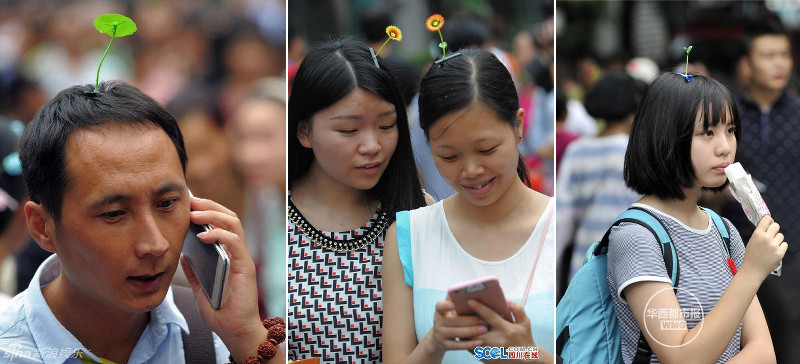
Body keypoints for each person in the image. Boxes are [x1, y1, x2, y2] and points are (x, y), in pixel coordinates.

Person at [0, 81, 283, 364]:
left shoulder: (214, 337)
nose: (156, 245)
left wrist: (246, 336)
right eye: (114, 214)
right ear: (42, 226)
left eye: (167, 203)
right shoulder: (10, 350)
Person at [382, 49, 555, 364]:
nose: (471, 170)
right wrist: (435, 343)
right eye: (449, 156)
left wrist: (524, 352)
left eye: (486, 149)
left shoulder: (561, 226)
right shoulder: (408, 236)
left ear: (518, 126)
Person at [608, 72, 783, 363]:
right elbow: (682, 357)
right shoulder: (636, 236)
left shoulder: (724, 231)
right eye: (707, 133)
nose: (725, 147)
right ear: (665, 135)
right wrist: (752, 271)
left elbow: (764, 352)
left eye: (730, 130)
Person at [287, 38, 426, 363]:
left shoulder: (417, 212)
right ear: (304, 131)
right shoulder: (278, 219)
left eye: (386, 125)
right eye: (349, 130)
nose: (372, 145)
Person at [728, 18, 800, 362]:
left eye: (784, 54)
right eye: (768, 55)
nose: (779, 63)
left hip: (795, 254)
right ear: (746, 64)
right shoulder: (727, 120)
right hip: (737, 257)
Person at [555, 72, 643, 294]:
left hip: (583, 270)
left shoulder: (576, 150)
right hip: (632, 271)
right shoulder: (637, 153)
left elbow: (562, 220)